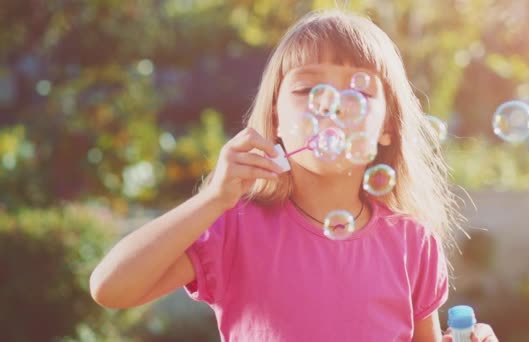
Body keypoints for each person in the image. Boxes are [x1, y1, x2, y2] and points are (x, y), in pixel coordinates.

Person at [90, 9, 498, 342]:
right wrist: (212, 198)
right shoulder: (234, 230)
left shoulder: (411, 241)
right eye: (307, 91)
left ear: (387, 128)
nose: (333, 105)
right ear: (276, 120)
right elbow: (110, 288)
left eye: (360, 93)